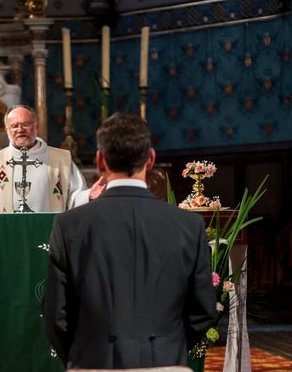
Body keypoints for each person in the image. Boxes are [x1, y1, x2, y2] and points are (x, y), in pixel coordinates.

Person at [43, 113, 217, 370]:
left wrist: (83, 355)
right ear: (151, 159)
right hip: (166, 362)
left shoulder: (69, 224)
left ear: (100, 161)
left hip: (92, 362)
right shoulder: (188, 225)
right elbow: (203, 311)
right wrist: (167, 349)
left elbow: (56, 316)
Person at [0, 105, 106, 213]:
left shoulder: (60, 159)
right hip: (10, 235)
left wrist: (88, 195)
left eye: (26, 124)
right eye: (14, 126)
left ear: (36, 126)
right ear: (7, 130)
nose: (20, 129)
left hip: (49, 235)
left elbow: (73, 198)